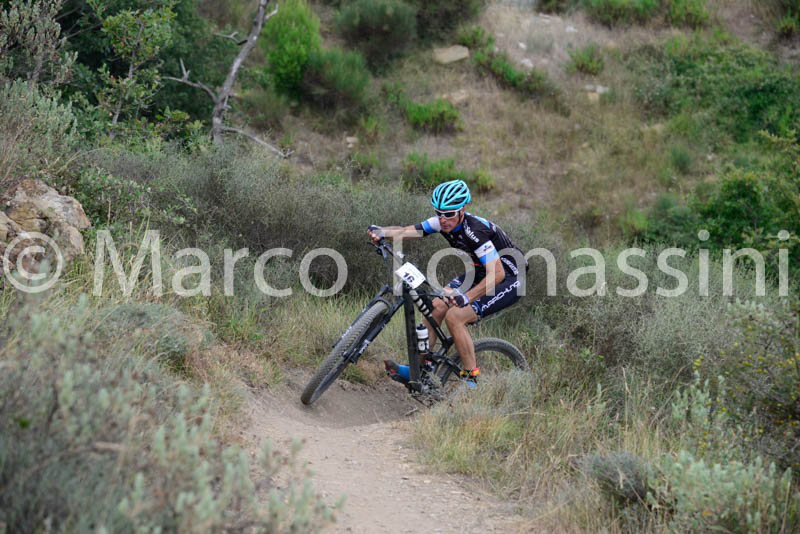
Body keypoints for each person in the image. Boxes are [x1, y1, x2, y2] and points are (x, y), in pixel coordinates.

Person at [367, 179, 527, 388]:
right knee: (436, 307)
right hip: (481, 272)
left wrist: (466, 297)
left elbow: (497, 274)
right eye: (439, 213)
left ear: (462, 210)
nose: (443, 219)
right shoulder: (442, 221)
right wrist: (382, 231)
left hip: (509, 278)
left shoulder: (474, 232)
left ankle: (471, 381)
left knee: (455, 316)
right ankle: (418, 370)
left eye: (449, 214)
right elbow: (405, 231)